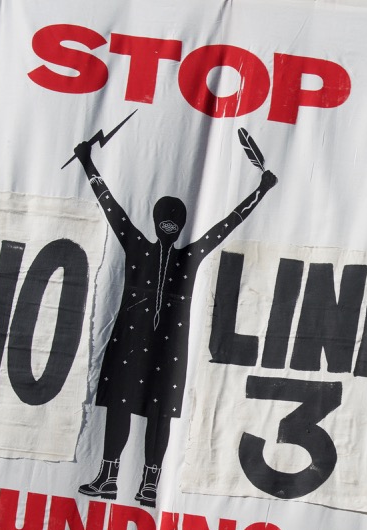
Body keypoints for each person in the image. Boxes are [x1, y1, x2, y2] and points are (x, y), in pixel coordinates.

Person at [71, 136, 277, 507]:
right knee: (121, 404)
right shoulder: (140, 245)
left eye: (174, 221)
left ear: (180, 225)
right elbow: (111, 208)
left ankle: (150, 483)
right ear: (156, 221)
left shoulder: (187, 256)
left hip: (167, 349)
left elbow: (225, 226)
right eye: (165, 219)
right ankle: (109, 475)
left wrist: (260, 192)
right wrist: (88, 164)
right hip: (131, 342)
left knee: (160, 410)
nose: (169, 225)